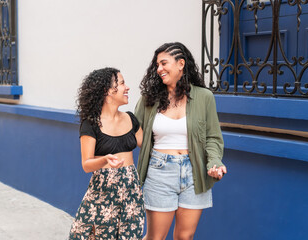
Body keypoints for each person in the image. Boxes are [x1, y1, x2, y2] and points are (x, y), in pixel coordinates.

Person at [134, 42, 227, 240]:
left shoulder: (204, 97)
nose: (159, 69)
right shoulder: (148, 100)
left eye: (164, 63)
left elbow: (212, 137)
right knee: (155, 237)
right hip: (160, 170)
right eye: (157, 65)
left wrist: (214, 163)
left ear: (181, 64)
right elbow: (136, 133)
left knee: (185, 236)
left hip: (195, 172)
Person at [69, 67, 144, 239]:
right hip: (103, 194)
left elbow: (148, 146)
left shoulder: (131, 119)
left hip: (131, 193)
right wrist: (105, 160)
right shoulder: (91, 124)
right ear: (107, 91)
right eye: (122, 83)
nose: (127, 88)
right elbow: (86, 164)